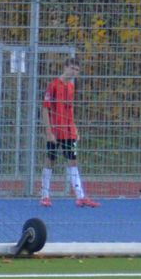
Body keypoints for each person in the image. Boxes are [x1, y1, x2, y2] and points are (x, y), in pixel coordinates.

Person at [40, 59, 98, 208]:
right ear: (65, 67)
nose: (74, 72)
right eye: (72, 68)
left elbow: (69, 109)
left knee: (73, 160)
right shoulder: (53, 85)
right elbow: (45, 108)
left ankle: (80, 196)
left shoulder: (71, 87)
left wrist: (74, 127)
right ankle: (45, 195)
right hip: (55, 130)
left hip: (69, 131)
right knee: (50, 160)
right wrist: (49, 131)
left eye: (77, 70)